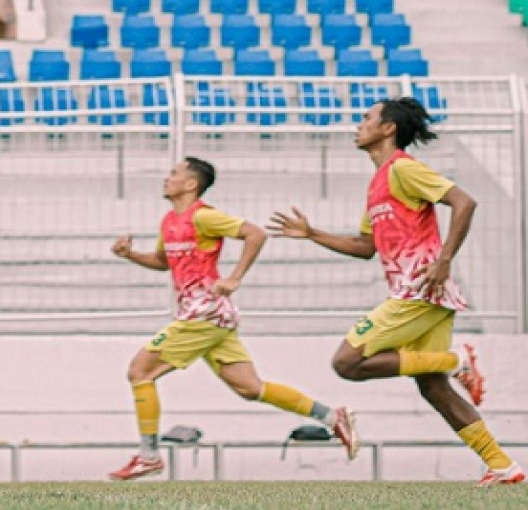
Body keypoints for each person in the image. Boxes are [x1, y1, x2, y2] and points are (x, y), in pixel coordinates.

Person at [269, 97, 523, 487]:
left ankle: (456, 360)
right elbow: (364, 246)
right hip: (423, 295)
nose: (359, 124)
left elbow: (463, 202)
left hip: (419, 291)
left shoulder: (404, 169)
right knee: (433, 387)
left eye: (367, 118)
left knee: (347, 363)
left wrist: (445, 258)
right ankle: (503, 467)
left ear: (388, 129)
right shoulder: (377, 184)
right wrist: (311, 233)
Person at [108, 157, 357, 481]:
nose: (166, 178)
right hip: (212, 318)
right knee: (250, 388)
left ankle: (149, 456)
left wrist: (235, 277)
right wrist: (130, 255)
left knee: (139, 371)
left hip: (204, 313)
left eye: (174, 174)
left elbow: (255, 234)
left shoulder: (205, 216)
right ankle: (331, 416)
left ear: (191, 184)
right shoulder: (169, 221)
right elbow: (161, 261)